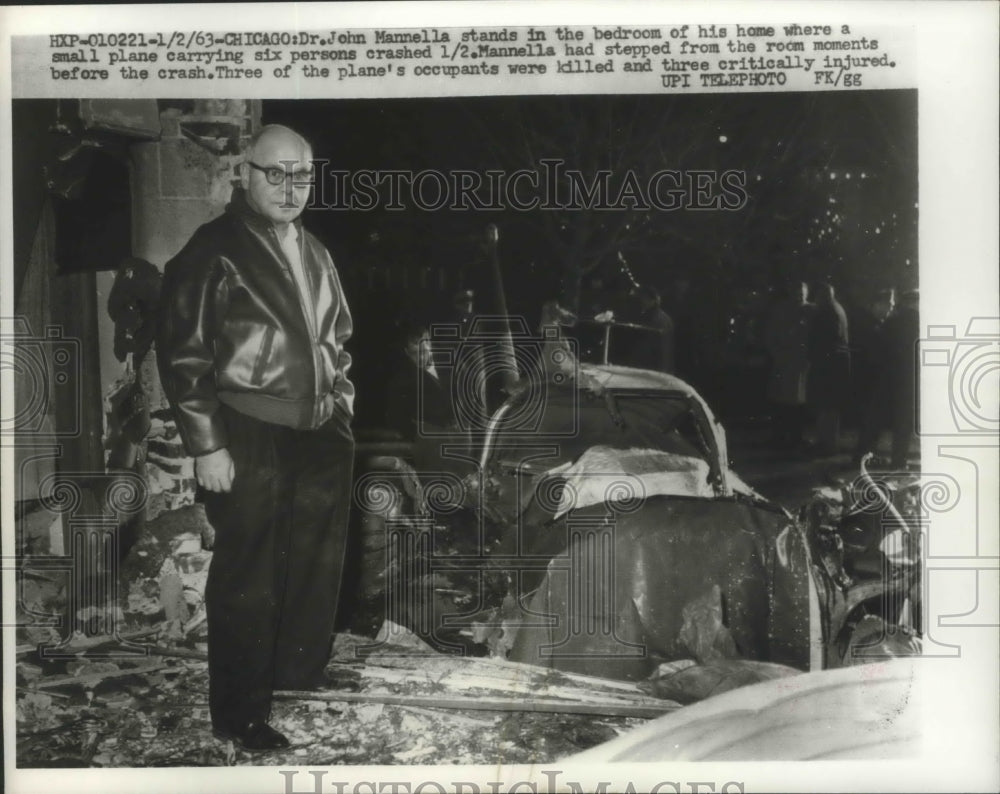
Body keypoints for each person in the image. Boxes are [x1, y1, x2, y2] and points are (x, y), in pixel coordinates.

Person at [157, 125, 355, 751]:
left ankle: (298, 673)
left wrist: (341, 405)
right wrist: (207, 444)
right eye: (277, 173)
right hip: (248, 428)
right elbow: (184, 352)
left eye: (302, 175)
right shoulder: (213, 248)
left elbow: (337, 340)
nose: (291, 187)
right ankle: (238, 715)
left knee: (315, 563)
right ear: (245, 172)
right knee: (250, 575)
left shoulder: (316, 250)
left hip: (319, 429)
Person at [764, 279, 814, 449]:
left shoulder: (811, 310)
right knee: (780, 401)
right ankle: (778, 435)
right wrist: (777, 354)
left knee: (799, 402)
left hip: (801, 364)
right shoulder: (781, 310)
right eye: (796, 293)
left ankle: (796, 436)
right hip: (783, 362)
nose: (799, 296)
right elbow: (771, 335)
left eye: (802, 293)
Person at [385, 320, 456, 440]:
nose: (421, 358)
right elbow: (400, 422)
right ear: (407, 352)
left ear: (430, 344)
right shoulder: (401, 382)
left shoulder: (453, 363)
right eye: (414, 353)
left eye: (423, 351)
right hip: (432, 443)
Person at [808, 282, 852, 455]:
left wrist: (813, 357)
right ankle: (827, 442)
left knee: (828, 407)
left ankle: (829, 445)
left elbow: (828, 340)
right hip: (835, 365)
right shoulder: (836, 309)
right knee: (829, 406)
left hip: (830, 366)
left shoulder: (829, 312)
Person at [634, 284, 675, 374]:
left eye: (645, 298)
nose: (642, 301)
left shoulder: (654, 318)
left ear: (653, 300)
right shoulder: (661, 317)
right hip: (657, 364)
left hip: (653, 365)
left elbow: (662, 346)